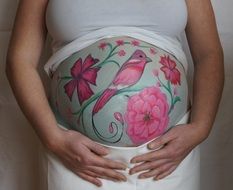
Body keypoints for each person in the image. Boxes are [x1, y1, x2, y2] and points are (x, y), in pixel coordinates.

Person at [5, 0, 224, 189]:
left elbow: (209, 55)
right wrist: (53, 138)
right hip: (77, 155)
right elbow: (20, 60)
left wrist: (200, 128)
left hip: (165, 155)